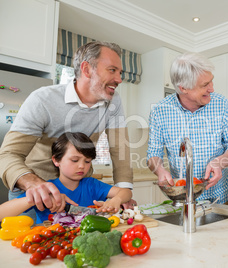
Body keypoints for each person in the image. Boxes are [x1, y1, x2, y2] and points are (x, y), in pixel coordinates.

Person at [0, 41, 134, 221]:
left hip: (78, 192)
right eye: (112, 70)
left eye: (120, 72)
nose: (119, 79)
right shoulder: (43, 100)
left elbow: (120, 150)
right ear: (87, 69)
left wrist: (123, 196)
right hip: (33, 194)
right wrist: (36, 185)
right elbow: (8, 154)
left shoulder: (113, 101)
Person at [147, 52, 228, 204]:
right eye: (205, 85)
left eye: (211, 81)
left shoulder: (222, 104)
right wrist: (160, 171)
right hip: (183, 198)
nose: (212, 89)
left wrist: (220, 161)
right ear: (184, 88)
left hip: (221, 196)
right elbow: (153, 154)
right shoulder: (160, 111)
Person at [0, 132, 132, 222]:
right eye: (74, 160)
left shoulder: (92, 184)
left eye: (87, 161)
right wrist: (37, 199)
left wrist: (116, 200)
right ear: (56, 160)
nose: (82, 166)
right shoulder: (48, 189)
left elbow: (126, 192)